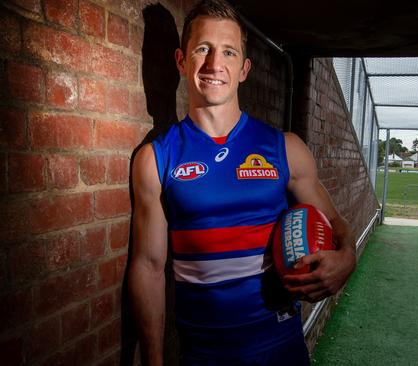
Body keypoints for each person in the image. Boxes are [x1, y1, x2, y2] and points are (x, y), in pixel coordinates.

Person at [127, 1, 357, 365]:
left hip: (282, 350)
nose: (214, 64)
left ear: (244, 68)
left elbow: (335, 221)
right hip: (203, 356)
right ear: (181, 61)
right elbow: (148, 267)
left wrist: (348, 256)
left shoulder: (286, 148)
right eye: (202, 48)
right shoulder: (155, 159)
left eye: (228, 52)